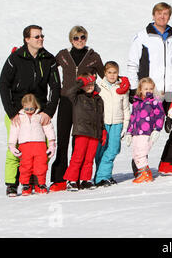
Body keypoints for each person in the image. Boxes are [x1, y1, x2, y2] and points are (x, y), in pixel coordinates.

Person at [0, 25, 61, 197]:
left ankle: (35, 180)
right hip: (17, 112)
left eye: (42, 36)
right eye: (36, 37)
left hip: (39, 113)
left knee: (44, 149)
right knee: (15, 148)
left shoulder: (48, 59)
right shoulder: (15, 58)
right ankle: (12, 184)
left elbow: (56, 87)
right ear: (27, 39)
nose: (40, 39)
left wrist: (48, 111)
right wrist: (11, 112)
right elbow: (3, 84)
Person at [50, 26, 111, 192]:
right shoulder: (63, 54)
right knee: (63, 139)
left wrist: (123, 87)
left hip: (84, 103)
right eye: (76, 38)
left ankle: (77, 178)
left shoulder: (93, 56)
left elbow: (106, 78)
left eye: (82, 37)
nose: (80, 41)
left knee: (80, 142)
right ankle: (59, 179)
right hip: (66, 100)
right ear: (71, 39)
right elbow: (49, 67)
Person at [127, 2, 172, 176]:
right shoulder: (142, 36)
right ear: (153, 15)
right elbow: (132, 64)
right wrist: (135, 89)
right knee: (145, 131)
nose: (162, 17)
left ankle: (167, 162)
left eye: (165, 14)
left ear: (169, 16)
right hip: (150, 92)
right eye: (159, 13)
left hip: (170, 89)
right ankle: (139, 165)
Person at [63, 73, 107, 191]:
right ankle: (71, 180)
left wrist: (102, 131)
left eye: (91, 84)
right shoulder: (77, 97)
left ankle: (85, 180)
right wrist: (81, 82)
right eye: (87, 85)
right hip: (82, 132)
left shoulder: (98, 99)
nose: (89, 86)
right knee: (78, 157)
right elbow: (69, 92)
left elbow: (100, 116)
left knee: (89, 158)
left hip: (94, 133)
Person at [8, 94, 56, 195]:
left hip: (40, 145)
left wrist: (51, 144)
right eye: (27, 108)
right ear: (23, 106)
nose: (29, 111)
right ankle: (26, 185)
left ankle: (41, 184)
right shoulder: (20, 117)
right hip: (25, 146)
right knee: (25, 166)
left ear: (36, 107)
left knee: (41, 165)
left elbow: (48, 128)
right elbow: (14, 131)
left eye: (32, 108)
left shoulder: (40, 116)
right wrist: (12, 145)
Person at [94, 61, 130, 187]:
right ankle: (102, 177)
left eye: (115, 73)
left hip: (117, 123)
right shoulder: (99, 87)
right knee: (101, 151)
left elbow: (126, 109)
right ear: (105, 73)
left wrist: (125, 127)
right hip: (103, 124)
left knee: (113, 149)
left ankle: (103, 176)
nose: (112, 75)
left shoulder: (122, 88)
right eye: (109, 72)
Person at [125, 77, 165, 183]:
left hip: (147, 132)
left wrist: (157, 129)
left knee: (142, 153)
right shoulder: (136, 102)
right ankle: (144, 172)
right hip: (136, 133)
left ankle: (145, 174)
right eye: (146, 88)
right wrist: (129, 132)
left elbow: (160, 115)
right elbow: (132, 118)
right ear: (140, 89)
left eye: (150, 88)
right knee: (135, 154)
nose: (148, 91)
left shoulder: (154, 101)